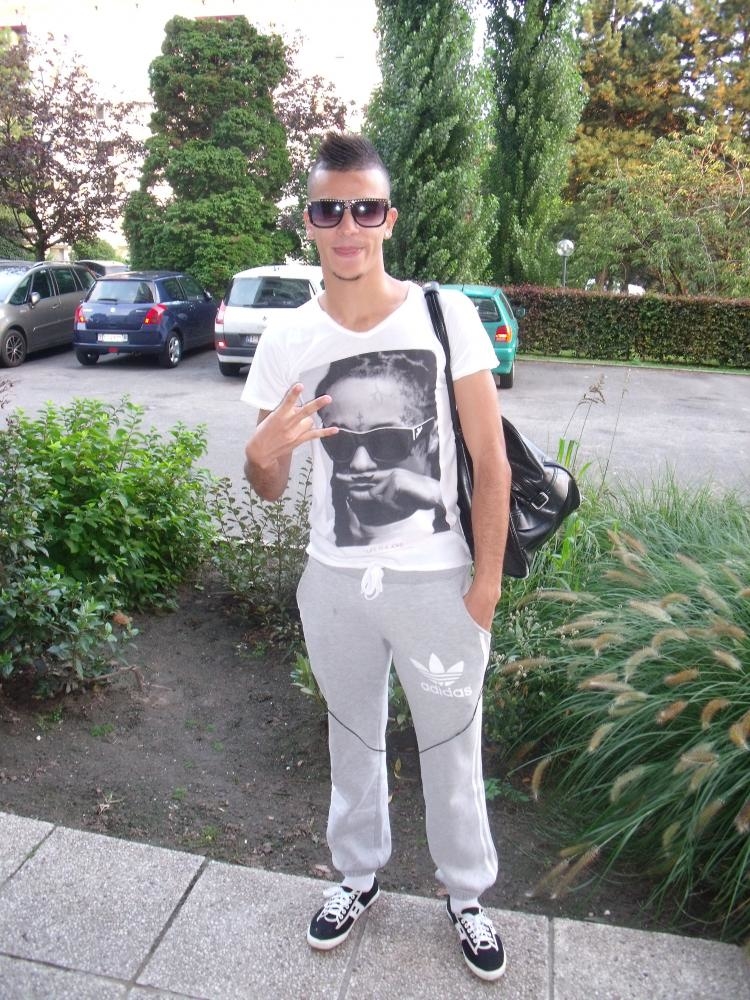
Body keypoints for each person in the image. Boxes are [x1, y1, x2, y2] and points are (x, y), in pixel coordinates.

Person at [242, 132, 511, 982]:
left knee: (452, 744)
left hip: (438, 583)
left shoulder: (444, 315)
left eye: (365, 208)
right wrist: (260, 455)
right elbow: (269, 486)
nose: (348, 226)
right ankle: (357, 877)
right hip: (334, 582)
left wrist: (485, 587)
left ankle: (466, 895)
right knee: (350, 735)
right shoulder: (289, 337)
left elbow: (491, 460)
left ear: (388, 218)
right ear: (310, 222)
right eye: (331, 210)